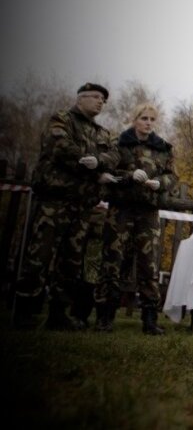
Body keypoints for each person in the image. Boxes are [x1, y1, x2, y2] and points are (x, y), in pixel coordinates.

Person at [13, 83, 118, 330]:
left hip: (82, 205)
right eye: (95, 97)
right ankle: (25, 310)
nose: (100, 102)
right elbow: (60, 148)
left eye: (103, 99)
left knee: (71, 261)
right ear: (80, 98)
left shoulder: (102, 133)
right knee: (40, 255)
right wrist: (91, 168)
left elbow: (113, 157)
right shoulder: (61, 120)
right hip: (55, 200)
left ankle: (58, 313)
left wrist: (100, 161)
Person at [94, 103, 176, 335]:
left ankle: (149, 320)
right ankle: (105, 316)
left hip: (148, 212)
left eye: (152, 119)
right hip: (121, 210)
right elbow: (105, 172)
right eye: (144, 118)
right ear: (135, 119)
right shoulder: (120, 143)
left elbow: (172, 176)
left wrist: (161, 184)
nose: (148, 122)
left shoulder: (162, 148)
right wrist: (129, 176)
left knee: (148, 264)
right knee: (113, 261)